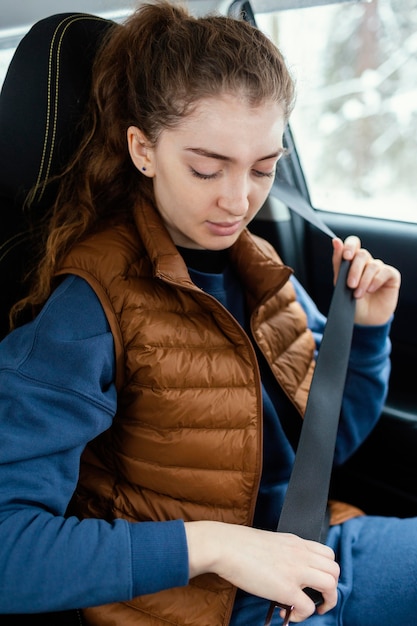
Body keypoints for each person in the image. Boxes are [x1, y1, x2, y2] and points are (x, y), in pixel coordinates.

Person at [0, 1, 412, 625]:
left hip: (312, 553)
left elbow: (326, 443)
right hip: (194, 605)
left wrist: (369, 329)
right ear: (143, 150)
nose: (238, 200)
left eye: (264, 169)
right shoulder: (87, 308)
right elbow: (8, 550)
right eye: (205, 167)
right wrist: (215, 546)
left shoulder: (260, 265)